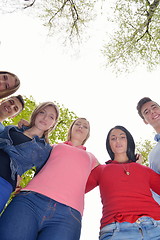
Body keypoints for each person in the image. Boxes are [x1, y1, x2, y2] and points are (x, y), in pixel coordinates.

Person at [0, 117, 99, 240]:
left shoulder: (92, 159)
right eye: (77, 124)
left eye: (85, 126)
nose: (80, 127)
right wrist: (28, 127)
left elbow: (105, 176)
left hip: (68, 214)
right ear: (71, 129)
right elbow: (26, 152)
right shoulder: (53, 147)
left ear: (87, 134)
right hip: (30, 200)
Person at [86, 125, 160, 240]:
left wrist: (136, 165)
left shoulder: (144, 170)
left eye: (122, 137)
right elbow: (75, 189)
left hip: (155, 226)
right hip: (116, 229)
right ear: (109, 145)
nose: (118, 141)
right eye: (113, 138)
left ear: (128, 141)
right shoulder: (100, 170)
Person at [0, 101, 59, 213]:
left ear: (53, 124)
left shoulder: (45, 150)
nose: (45, 118)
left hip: (4, 182)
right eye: (42, 112)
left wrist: (23, 189)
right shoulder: (11, 129)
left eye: (51, 117)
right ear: (36, 113)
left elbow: (41, 177)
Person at [137, 97, 160, 203]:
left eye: (154, 107)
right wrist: (137, 168)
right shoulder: (153, 156)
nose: (152, 112)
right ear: (145, 121)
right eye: (147, 112)